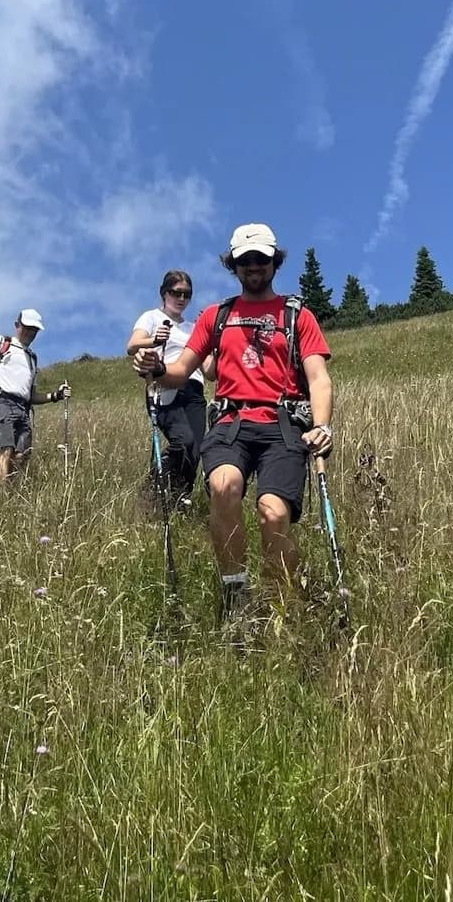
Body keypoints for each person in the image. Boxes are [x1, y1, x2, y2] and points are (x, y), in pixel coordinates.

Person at [133, 223, 334, 621]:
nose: (253, 266)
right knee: (224, 486)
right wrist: (155, 365)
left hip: (283, 425)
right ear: (234, 266)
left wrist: (322, 425)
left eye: (261, 258)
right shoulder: (217, 316)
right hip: (229, 421)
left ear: (274, 262)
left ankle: (284, 603)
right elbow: (180, 371)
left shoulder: (298, 316)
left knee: (273, 515)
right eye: (245, 260)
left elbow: (319, 379)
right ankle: (236, 594)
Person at [125, 270, 212, 510]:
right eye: (176, 293)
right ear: (164, 293)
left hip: (194, 390)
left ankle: (177, 499)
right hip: (164, 385)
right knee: (183, 440)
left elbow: (210, 371)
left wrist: (213, 336)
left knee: (195, 450)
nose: (182, 298)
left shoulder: (194, 328)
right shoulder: (152, 318)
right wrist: (154, 340)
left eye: (187, 294)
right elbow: (132, 345)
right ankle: (155, 487)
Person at [0, 309, 72, 484]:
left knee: (22, 455)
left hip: (23, 407)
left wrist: (56, 395)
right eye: (27, 327)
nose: (30, 332)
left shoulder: (32, 358)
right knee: (4, 449)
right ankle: (1, 496)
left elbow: (31, 395)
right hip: (0, 402)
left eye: (34, 329)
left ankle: (11, 491)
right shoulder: (0, 342)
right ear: (17, 325)